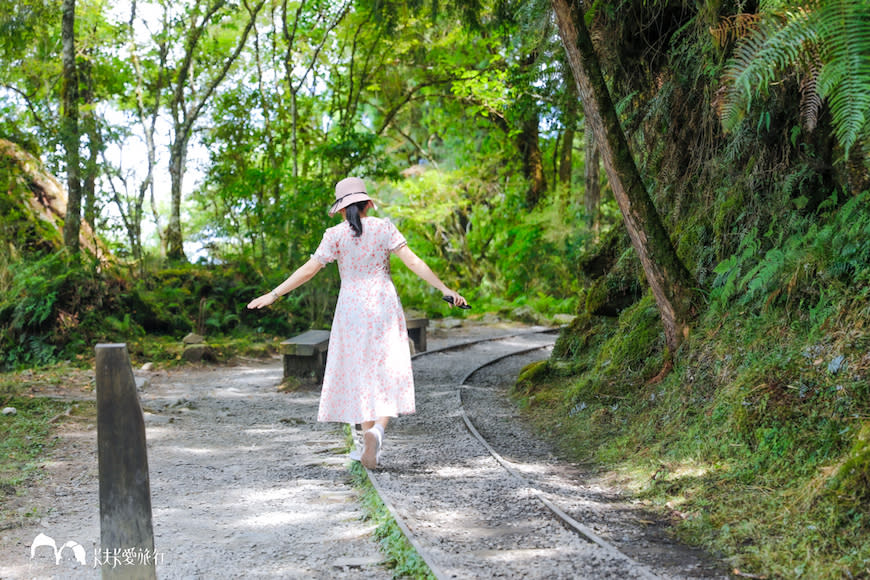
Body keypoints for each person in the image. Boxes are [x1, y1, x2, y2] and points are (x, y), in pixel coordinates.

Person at [247, 176, 467, 469]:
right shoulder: (384, 227)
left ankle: (368, 441)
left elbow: (310, 269)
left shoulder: (334, 235)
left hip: (351, 308)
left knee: (361, 371)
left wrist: (274, 294)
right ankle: (377, 431)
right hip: (383, 303)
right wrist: (445, 289)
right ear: (367, 203)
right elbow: (413, 261)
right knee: (388, 366)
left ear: (341, 209)